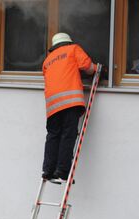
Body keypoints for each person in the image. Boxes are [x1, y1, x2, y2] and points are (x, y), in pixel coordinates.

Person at [42, 32, 97, 184]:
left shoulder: (47, 61)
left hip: (52, 105)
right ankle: (63, 170)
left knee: (53, 135)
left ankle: (47, 170)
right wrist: (99, 69)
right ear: (68, 42)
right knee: (68, 134)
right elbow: (87, 66)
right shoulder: (73, 49)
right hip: (70, 102)